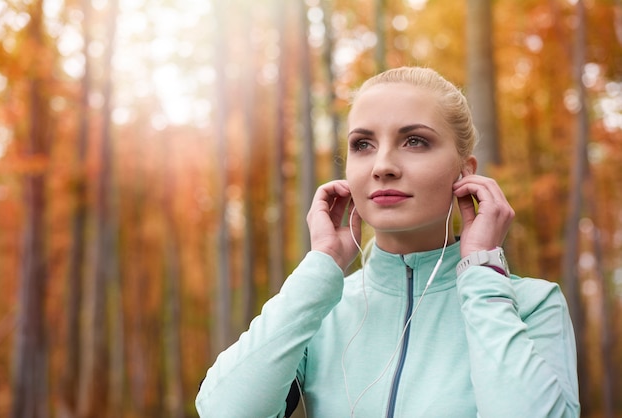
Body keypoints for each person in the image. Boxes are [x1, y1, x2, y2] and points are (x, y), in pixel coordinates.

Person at [195, 66, 580, 417]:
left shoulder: (530, 305)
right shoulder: (320, 307)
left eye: (414, 141)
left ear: (465, 172)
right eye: (363, 144)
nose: (382, 166)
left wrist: (482, 272)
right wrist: (320, 268)